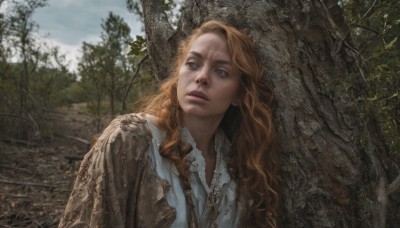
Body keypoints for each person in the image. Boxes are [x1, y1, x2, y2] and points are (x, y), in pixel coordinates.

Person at [58, 20, 279, 228]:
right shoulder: (130, 139)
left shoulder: (238, 168)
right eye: (193, 64)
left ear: (239, 94)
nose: (202, 77)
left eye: (221, 71)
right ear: (178, 75)